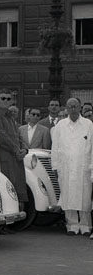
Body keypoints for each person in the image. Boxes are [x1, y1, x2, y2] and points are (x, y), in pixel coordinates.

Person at [51, 98, 93, 236]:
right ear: (67, 108)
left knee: (85, 197)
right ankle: (72, 225)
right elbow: (55, 147)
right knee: (68, 196)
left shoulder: (88, 124)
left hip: (83, 166)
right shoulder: (61, 125)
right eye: (70, 106)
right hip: (66, 167)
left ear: (80, 107)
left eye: (75, 106)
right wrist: (55, 166)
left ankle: (86, 225)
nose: (73, 109)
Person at [0, 89, 28, 208]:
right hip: (5, 158)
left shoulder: (10, 116)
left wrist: (25, 149)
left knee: (17, 188)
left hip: (16, 159)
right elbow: (2, 136)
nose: (6, 101)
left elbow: (18, 136)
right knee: (7, 188)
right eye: (3, 98)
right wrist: (16, 150)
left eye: (8, 99)